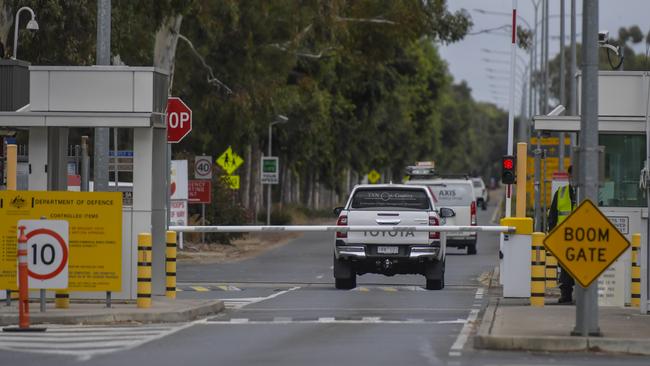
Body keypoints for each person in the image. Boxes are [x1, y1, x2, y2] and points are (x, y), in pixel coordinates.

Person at [548, 165, 576, 304]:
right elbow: (552, 216)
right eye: (572, 175)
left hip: (582, 238)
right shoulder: (561, 193)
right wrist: (552, 236)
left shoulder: (589, 193)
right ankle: (566, 295)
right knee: (565, 268)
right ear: (569, 177)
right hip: (563, 238)